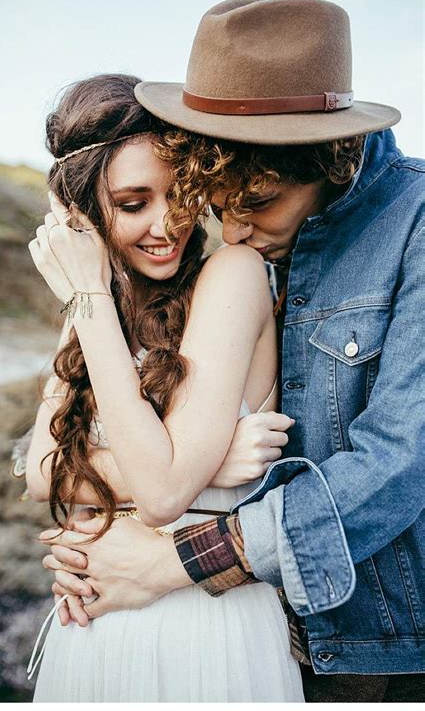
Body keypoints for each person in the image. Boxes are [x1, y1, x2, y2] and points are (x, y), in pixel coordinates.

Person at [39, 0, 425, 704]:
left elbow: (400, 463)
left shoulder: (414, 226)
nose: (236, 231)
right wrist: (182, 476)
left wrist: (174, 559)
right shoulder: (216, 260)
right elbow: (48, 465)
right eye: (220, 205)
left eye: (262, 202)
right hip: (275, 632)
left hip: (385, 653)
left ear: (336, 153)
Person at [23, 71, 304, 702]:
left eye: (179, 195)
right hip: (95, 620)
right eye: (132, 203)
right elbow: (41, 471)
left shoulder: (233, 273)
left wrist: (179, 474)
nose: (166, 224)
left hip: (203, 621)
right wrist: (210, 464)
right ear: (84, 213)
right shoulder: (96, 313)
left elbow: (161, 494)